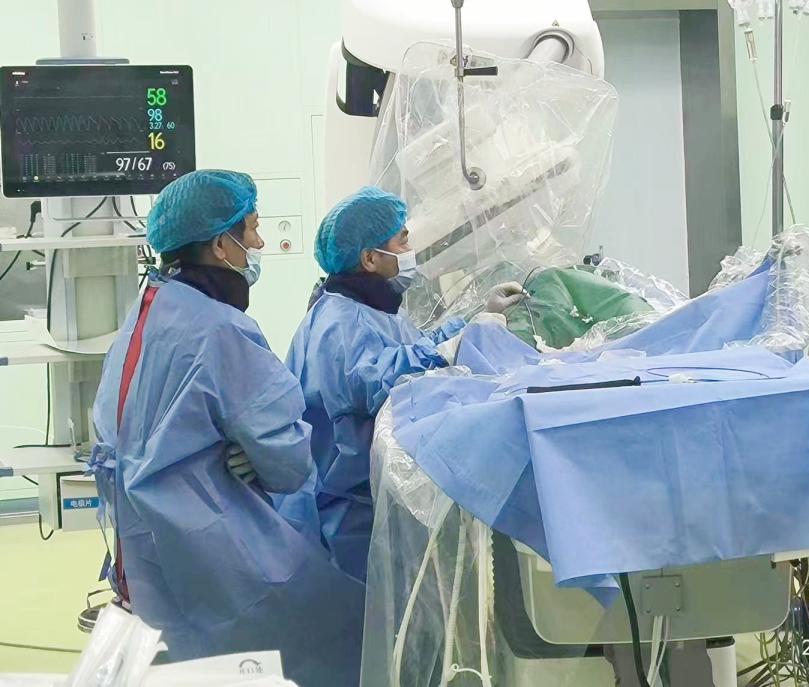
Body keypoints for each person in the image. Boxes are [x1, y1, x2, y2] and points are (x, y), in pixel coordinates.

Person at [89, 170, 364, 687]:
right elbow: (287, 463)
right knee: (339, 631)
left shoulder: (146, 313)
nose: (258, 243)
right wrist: (260, 456)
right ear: (221, 244)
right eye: (252, 229)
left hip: (145, 549)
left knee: (177, 660)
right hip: (211, 546)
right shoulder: (221, 329)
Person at [285, 186, 525, 582]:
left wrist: (473, 321)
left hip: (361, 501)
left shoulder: (364, 308)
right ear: (370, 258)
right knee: (361, 608)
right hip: (346, 512)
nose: (411, 250)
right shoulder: (338, 322)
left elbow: (409, 347)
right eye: (402, 240)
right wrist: (454, 347)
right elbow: (374, 380)